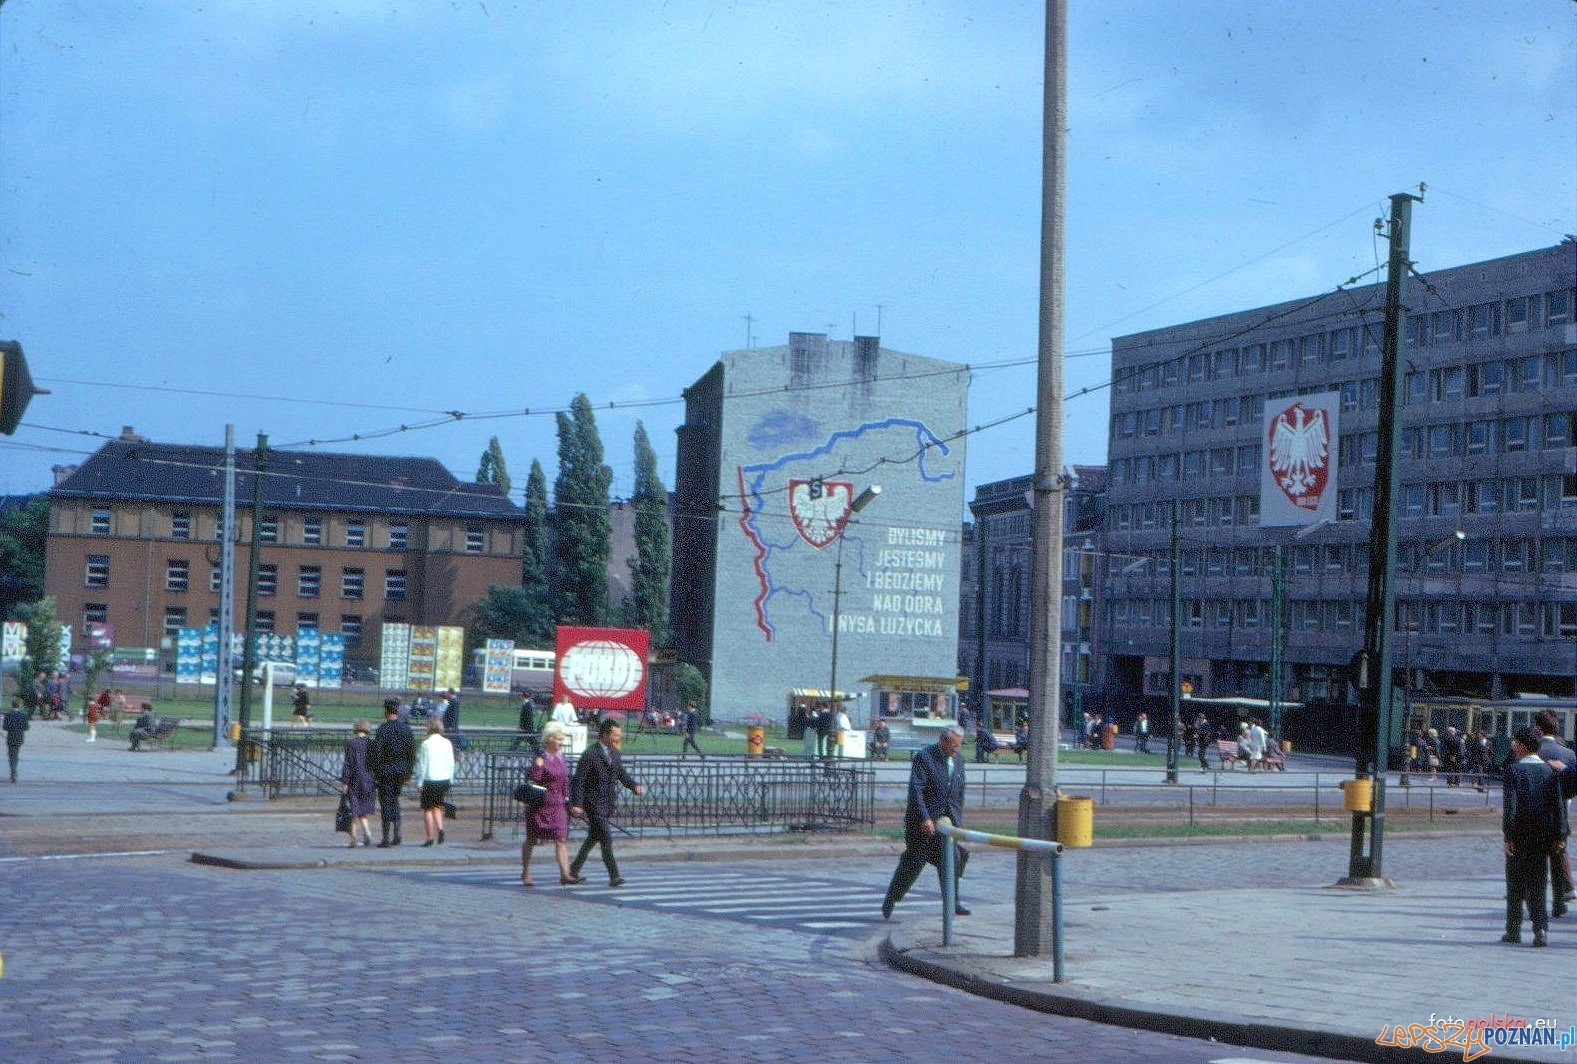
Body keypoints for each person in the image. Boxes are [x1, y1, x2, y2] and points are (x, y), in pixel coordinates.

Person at [882, 726, 969, 919]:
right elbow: (916, 790)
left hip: (947, 824)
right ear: (944, 741)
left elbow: (960, 790)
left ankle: (953, 902)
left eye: (959, 746)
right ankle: (892, 898)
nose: (956, 750)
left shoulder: (959, 760)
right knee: (913, 863)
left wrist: (958, 820)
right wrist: (924, 817)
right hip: (923, 824)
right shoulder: (924, 758)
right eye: (954, 746)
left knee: (953, 858)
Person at [1501, 726, 1564, 947]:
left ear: (1521, 745)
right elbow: (1558, 807)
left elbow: (1510, 808)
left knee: (1515, 883)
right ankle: (1541, 930)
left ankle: (1513, 930)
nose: (1513, 746)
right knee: (1538, 883)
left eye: (1514, 742)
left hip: (1519, 835)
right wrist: (1560, 835)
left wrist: (1508, 836)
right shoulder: (1550, 772)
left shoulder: (1513, 771)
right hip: (1543, 835)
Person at [568, 718, 645, 887]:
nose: (619, 738)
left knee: (593, 838)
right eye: (616, 735)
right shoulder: (590, 754)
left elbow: (621, 774)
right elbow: (578, 781)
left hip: (607, 803)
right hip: (593, 803)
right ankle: (614, 876)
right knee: (606, 837)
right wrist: (577, 804)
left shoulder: (615, 753)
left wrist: (634, 786)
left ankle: (572, 870)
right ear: (605, 735)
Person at [521, 721, 577, 886]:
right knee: (531, 839)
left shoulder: (561, 756)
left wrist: (569, 800)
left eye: (562, 739)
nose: (562, 742)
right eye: (559, 739)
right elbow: (535, 779)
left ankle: (565, 874)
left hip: (558, 804)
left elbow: (565, 779)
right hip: (540, 804)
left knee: (561, 839)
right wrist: (537, 767)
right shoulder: (542, 756)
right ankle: (526, 870)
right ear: (550, 739)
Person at [1533, 709, 1575, 917]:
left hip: (1533, 815)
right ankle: (1559, 903)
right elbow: (1571, 790)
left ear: (1538, 728)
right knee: (1558, 861)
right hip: (1559, 816)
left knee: (1535, 862)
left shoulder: (1531, 751)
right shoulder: (1568, 754)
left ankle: (1537, 906)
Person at [368, 698, 416, 847]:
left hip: (386, 771)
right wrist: (409, 773)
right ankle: (397, 834)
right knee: (395, 799)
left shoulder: (383, 729)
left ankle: (386, 838)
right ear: (398, 711)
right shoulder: (406, 729)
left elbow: (377, 753)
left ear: (386, 711)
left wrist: (374, 770)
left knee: (386, 802)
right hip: (401, 771)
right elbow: (412, 753)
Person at [413, 717, 455, 847]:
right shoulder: (447, 742)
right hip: (444, 778)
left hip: (430, 779)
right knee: (437, 806)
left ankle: (430, 837)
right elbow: (451, 763)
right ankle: (441, 829)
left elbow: (423, 764)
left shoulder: (426, 744)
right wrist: (450, 778)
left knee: (427, 809)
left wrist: (419, 782)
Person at [338, 720, 377, 847]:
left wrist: (344, 781)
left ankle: (353, 838)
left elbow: (348, 764)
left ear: (356, 729)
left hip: (354, 780)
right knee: (363, 809)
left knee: (353, 810)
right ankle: (367, 831)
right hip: (368, 779)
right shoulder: (371, 744)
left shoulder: (351, 744)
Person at [4, 696, 29, 783]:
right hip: (19, 737)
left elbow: (5, 727)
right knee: (15, 755)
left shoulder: (8, 714)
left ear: (12, 704)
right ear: (20, 705)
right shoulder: (23, 715)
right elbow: (26, 727)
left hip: (10, 737)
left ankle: (13, 772)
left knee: (11, 756)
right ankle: (14, 772)